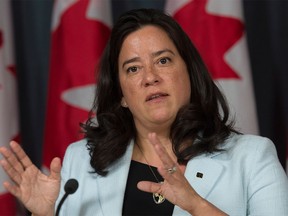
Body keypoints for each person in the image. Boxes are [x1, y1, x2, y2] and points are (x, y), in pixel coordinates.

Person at [1, 8, 288, 216]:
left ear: (190, 74)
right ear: (122, 94)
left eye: (163, 61)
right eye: (133, 68)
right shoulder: (81, 162)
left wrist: (198, 206)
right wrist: (45, 214)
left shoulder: (253, 157)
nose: (150, 77)